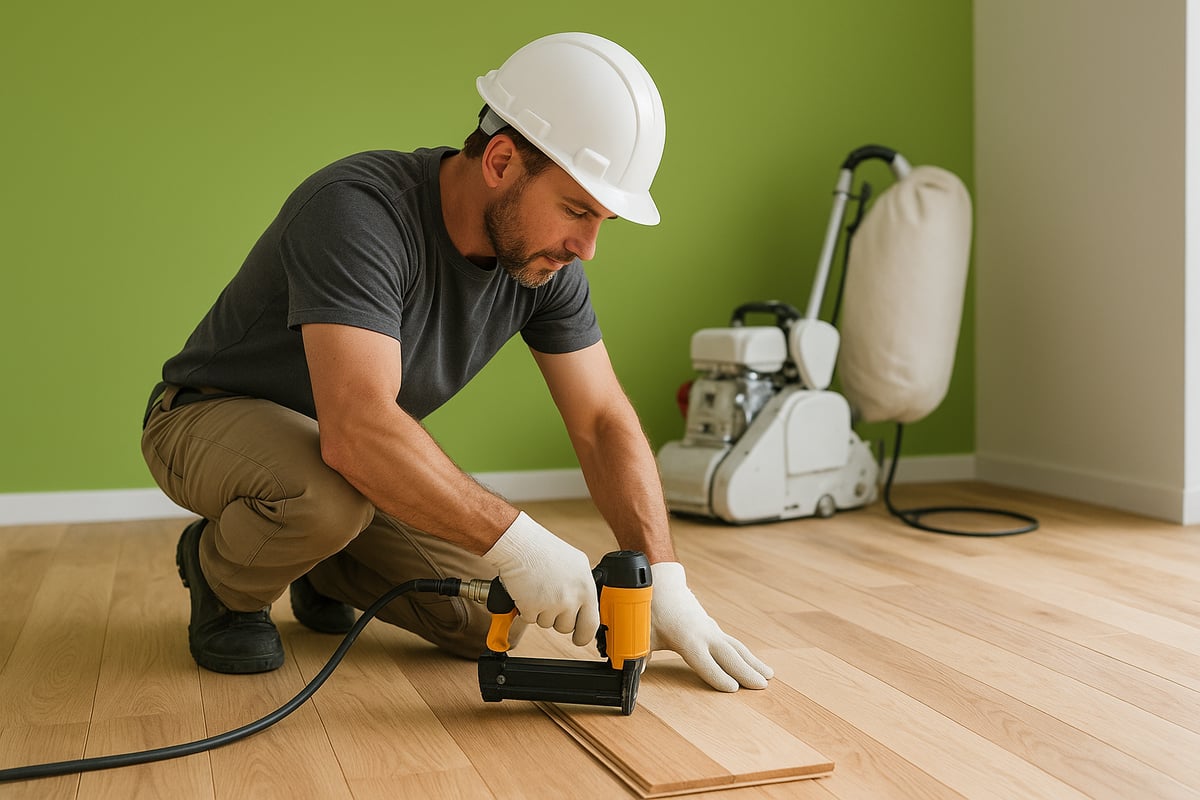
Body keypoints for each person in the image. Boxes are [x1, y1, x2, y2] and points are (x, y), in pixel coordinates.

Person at [140, 32, 772, 694]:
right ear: (501, 160)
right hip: (208, 415)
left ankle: (315, 562)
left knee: (481, 614)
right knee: (324, 498)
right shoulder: (357, 212)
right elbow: (357, 426)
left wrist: (663, 575)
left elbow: (602, 419)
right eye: (577, 210)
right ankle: (222, 578)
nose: (587, 247)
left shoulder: (543, 266)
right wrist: (521, 541)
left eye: (603, 220)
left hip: (346, 461)